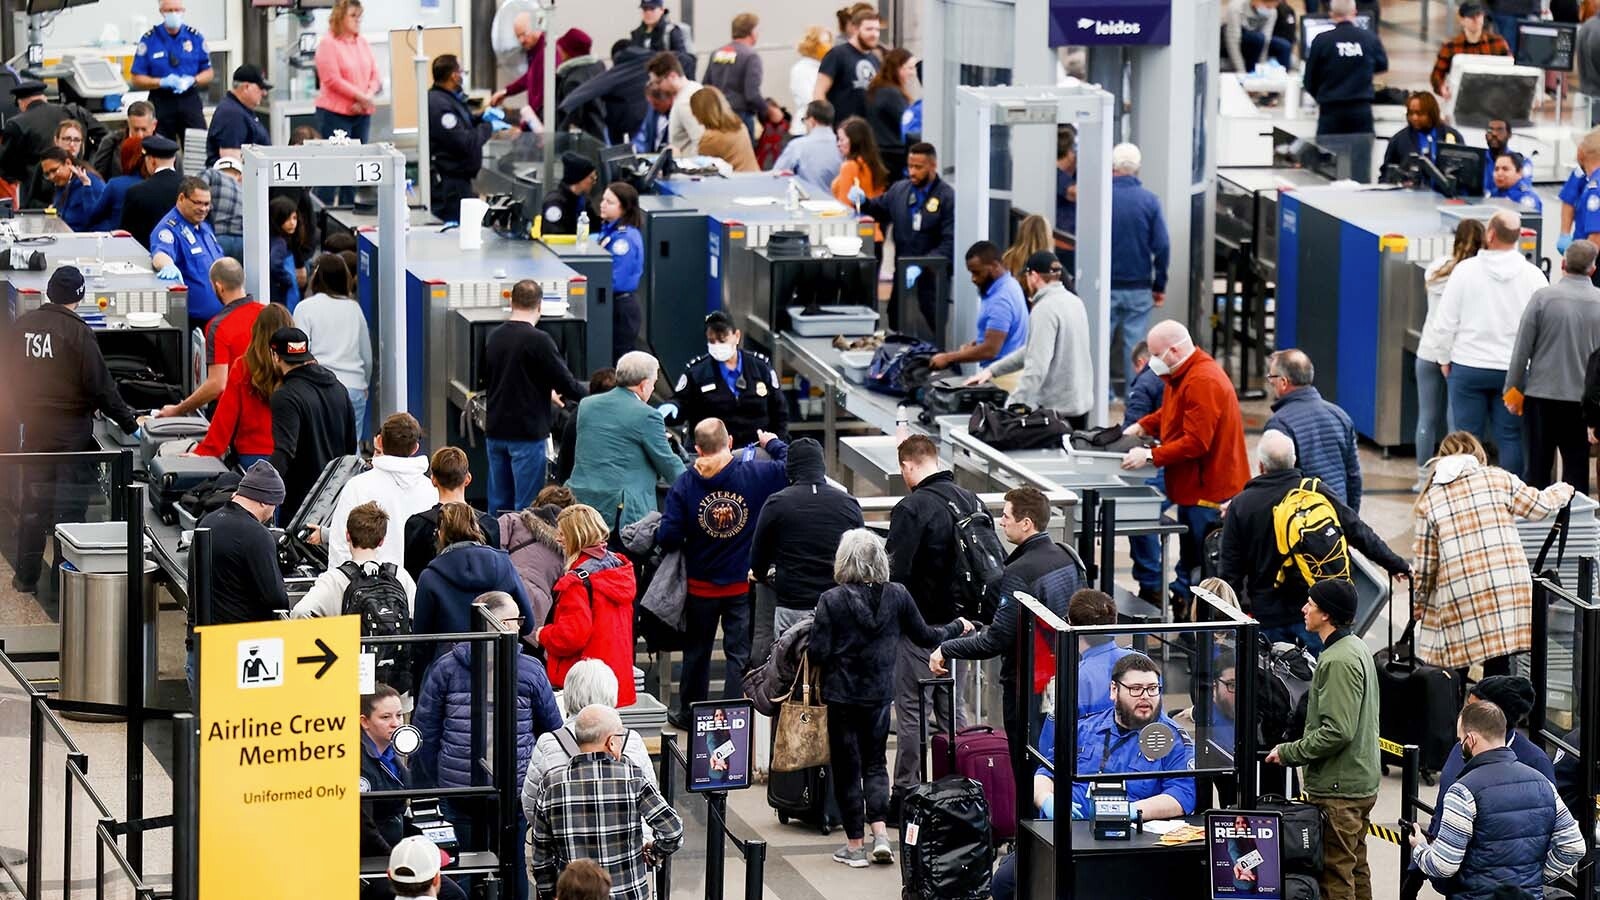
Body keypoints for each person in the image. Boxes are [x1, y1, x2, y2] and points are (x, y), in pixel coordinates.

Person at [810, 528, 970, 868]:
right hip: (879, 695)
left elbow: (819, 652)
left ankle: (855, 846)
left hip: (842, 696)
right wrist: (957, 626)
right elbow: (927, 635)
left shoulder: (832, 600)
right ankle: (881, 833)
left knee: (847, 768)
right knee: (875, 762)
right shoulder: (897, 594)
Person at [7, 267, 141, 592]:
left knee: (33, 503)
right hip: (72, 434)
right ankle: (61, 583)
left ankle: (25, 577)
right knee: (69, 508)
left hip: (35, 430)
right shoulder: (79, 333)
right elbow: (101, 387)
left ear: (49, 292)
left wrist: (22, 412)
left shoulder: (22, 327)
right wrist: (130, 422)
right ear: (79, 297)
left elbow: (8, 374)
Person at [1219, 430, 1409, 652]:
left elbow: (1230, 570)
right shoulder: (1314, 491)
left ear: (1261, 465)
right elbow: (1357, 530)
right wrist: (1396, 563)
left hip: (1268, 616)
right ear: (1294, 461)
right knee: (1318, 678)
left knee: (1271, 682)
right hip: (1316, 613)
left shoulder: (1242, 505)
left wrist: (1232, 621)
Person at [658, 420, 790, 728]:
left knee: (696, 653)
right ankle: (733, 715)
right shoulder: (755, 475)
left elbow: (668, 537)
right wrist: (770, 441)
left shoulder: (685, 484)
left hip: (699, 586)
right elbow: (790, 464)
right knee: (737, 654)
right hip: (740, 585)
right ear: (729, 442)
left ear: (697, 449)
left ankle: (690, 712)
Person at [1414, 431, 1574, 679]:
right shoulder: (1499, 479)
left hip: (1462, 593)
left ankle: (1458, 713)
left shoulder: (1430, 501)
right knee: (1498, 663)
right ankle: (1497, 715)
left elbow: (1425, 566)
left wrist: (1419, 602)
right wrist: (1564, 490)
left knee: (1456, 664)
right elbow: (1540, 506)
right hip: (1508, 588)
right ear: (1478, 454)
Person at [933, 487, 1078, 761]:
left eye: (1006, 516)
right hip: (1065, 679)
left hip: (1028, 689)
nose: (1001, 522)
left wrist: (946, 648)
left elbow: (996, 639)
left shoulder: (1017, 572)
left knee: (1028, 771)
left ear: (1026, 523)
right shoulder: (1066, 556)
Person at [1261, 580, 1379, 900]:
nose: (1304, 609)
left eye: (1310, 604)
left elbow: (1337, 731)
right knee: (1356, 867)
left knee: (1335, 872)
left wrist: (1289, 752)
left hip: (1338, 789)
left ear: (1327, 614)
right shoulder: (1356, 648)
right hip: (1359, 781)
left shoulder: (1338, 659)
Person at [1123, 320, 1251, 605]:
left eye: (1157, 354)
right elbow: (1171, 413)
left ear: (1175, 349)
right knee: (1191, 554)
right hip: (1193, 487)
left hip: (1209, 493)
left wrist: (1151, 455)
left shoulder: (1202, 380)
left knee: (1200, 560)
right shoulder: (1181, 375)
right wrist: (1143, 426)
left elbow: (1196, 442)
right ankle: (1182, 601)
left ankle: (1194, 619)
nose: (1153, 361)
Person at [885, 435, 980, 810]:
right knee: (951, 710)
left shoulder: (912, 508)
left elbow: (897, 572)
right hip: (961, 625)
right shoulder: (967, 499)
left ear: (908, 465)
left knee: (912, 713)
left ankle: (906, 793)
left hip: (919, 626)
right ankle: (957, 787)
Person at [1410, 701, 1587, 899]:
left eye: (1460, 739)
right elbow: (1573, 846)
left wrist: (1420, 848)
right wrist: (1536, 876)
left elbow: (1443, 866)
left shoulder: (1463, 791)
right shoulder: (1543, 784)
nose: (1460, 745)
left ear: (1471, 739)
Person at [1425, 209, 1549, 477]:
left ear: (1490, 234)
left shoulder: (1464, 272)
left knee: (1466, 440)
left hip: (1468, 366)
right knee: (1510, 437)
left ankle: (1466, 496)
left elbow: (1445, 322)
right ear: (1517, 238)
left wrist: (1444, 359)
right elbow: (1543, 327)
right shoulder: (1534, 276)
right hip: (1513, 371)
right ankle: (1510, 498)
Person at [529, 705, 684, 900]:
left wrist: (552, 892)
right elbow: (673, 831)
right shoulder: (632, 777)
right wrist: (653, 852)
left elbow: (541, 859)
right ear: (611, 743)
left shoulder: (552, 784)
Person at [1034, 653, 1196, 821]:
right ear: (1114, 690)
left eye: (1153, 688)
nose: (1146, 695)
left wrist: (1129, 812)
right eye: (1136, 689)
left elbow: (1182, 795)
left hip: (1132, 835)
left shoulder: (1172, 740)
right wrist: (1046, 800)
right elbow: (1045, 773)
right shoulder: (1084, 728)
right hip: (1070, 830)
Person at [521, 660, 657, 853]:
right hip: (626, 856)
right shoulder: (630, 741)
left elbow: (531, 804)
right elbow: (652, 804)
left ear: (569, 693)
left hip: (568, 857)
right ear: (611, 694)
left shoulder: (549, 743)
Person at [483, 280, 588, 514]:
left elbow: (498, 377)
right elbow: (567, 383)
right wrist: (595, 399)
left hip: (496, 430)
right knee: (526, 507)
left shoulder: (495, 337)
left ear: (512, 302)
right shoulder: (539, 340)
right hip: (527, 434)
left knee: (499, 505)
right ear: (539, 306)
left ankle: (495, 547)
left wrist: (542, 388)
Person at [1507, 239, 1600, 492]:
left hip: (1540, 398)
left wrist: (1512, 390)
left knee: (1536, 470)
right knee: (1577, 472)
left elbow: (1521, 350)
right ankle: (1573, 526)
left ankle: (1537, 528)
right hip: (1581, 404)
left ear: (1562, 264)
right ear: (1593, 269)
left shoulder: (1543, 298)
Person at [411, 504, 537, 685]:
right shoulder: (504, 565)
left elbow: (421, 641)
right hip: (499, 668)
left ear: (440, 533)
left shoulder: (430, 576)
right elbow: (527, 623)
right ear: (476, 528)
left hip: (449, 675)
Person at [750, 437, 865, 633]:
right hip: (837, 604)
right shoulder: (848, 503)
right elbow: (861, 555)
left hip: (792, 606)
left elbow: (758, 558)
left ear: (790, 469)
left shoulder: (776, 504)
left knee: (789, 660)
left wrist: (762, 575)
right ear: (821, 466)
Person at [966, 251, 1093, 423]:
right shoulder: (1074, 302)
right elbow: (1034, 349)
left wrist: (1011, 407)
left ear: (1033, 276)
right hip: (1080, 405)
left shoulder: (1045, 309)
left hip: (1056, 413)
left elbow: (1036, 368)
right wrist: (992, 371)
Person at [566, 351, 686, 529]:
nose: (653, 388)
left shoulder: (587, 405)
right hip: (622, 513)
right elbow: (667, 463)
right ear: (644, 384)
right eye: (653, 383)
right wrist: (695, 486)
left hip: (581, 504)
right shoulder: (647, 415)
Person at [536, 504, 639, 702]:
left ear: (577, 536)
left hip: (584, 685)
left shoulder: (577, 582)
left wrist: (544, 634)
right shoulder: (619, 570)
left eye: (563, 534)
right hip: (613, 680)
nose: (558, 539)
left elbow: (570, 637)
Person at [854, 142, 956, 332]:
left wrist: (922, 265)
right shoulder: (900, 191)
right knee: (896, 324)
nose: (912, 172)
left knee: (931, 329)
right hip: (901, 277)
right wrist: (863, 202)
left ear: (933, 166)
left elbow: (950, 243)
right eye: (910, 166)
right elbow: (880, 208)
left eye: (918, 167)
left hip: (932, 281)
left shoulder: (947, 198)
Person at [1417, 219, 1484, 488]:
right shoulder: (1475, 274)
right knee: (1454, 421)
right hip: (1458, 354)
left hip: (1428, 349)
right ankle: (1454, 477)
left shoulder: (1436, 268)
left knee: (1426, 418)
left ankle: (1422, 479)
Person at [267, 326, 358, 522]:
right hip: (336, 499)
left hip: (301, 503)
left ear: (275, 356)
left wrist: (256, 488)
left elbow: (285, 451)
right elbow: (352, 445)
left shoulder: (285, 396)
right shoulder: (338, 388)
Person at [324, 414, 437, 568]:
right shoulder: (431, 490)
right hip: (418, 587)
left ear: (380, 441)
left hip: (365, 587)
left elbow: (339, 546)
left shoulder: (357, 486)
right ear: (415, 448)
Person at [155, 258, 261, 420]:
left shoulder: (218, 326)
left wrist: (178, 410)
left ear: (218, 286)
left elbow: (217, 385)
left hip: (234, 417)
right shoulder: (267, 315)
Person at [194, 301, 292, 468]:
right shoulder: (300, 369)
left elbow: (224, 419)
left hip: (252, 457)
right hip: (291, 456)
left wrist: (202, 453)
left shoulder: (244, 367)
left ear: (257, 331)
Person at [1262, 349, 1364, 510]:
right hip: (1337, 520)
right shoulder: (1340, 416)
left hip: (1302, 525)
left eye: (1271, 377)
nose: (1270, 382)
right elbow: (1354, 478)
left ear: (1283, 382)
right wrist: (1350, 521)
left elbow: (1275, 487)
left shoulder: (1280, 425)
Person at [671, 310, 789, 447]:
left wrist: (777, 446)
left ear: (736, 336)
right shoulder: (697, 373)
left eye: (722, 340)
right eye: (712, 341)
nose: (717, 346)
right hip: (712, 453)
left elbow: (780, 412)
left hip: (756, 453)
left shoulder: (761, 368)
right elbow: (681, 403)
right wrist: (673, 407)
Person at [1108, 143, 1171, 392]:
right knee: (1134, 345)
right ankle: (1135, 393)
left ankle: (1105, 395)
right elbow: (1162, 245)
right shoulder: (1150, 201)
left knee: (1101, 341)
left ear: (1113, 167)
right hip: (1139, 285)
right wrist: (1159, 284)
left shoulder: (1103, 198)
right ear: (1138, 169)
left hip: (1106, 285)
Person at [1304, 0, 1388, 183]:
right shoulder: (1369, 38)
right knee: (1360, 171)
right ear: (1355, 12)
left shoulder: (1322, 40)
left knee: (1327, 173)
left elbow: (1309, 80)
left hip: (1330, 113)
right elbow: (1382, 65)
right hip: (1360, 113)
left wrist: (1322, 95)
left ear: (1331, 14)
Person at [199, 461, 290, 625]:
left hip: (200, 639)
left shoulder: (208, 521)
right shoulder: (257, 535)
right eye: (275, 505)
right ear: (264, 501)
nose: (272, 513)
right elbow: (277, 600)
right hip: (237, 643)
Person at [293, 500, 418, 619]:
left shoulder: (334, 580)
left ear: (348, 536)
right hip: (395, 642)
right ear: (381, 541)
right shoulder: (400, 575)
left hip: (348, 641)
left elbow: (300, 613)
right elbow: (417, 615)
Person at [294, 253, 372, 441]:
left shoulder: (305, 308)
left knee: (319, 448)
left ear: (317, 276)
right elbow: (367, 356)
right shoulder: (354, 309)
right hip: (354, 386)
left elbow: (299, 353)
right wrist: (364, 385)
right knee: (351, 453)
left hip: (318, 389)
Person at [927, 241, 1028, 380]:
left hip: (1003, 377)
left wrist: (948, 358)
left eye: (977, 272)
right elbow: (1003, 334)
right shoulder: (1009, 284)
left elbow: (990, 350)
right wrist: (977, 344)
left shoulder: (1001, 300)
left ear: (994, 266)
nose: (973, 279)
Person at [314, 0, 381, 200]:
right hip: (335, 115)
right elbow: (332, 79)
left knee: (354, 170)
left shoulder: (362, 42)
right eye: (353, 15)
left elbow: (375, 74)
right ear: (339, 17)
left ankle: (348, 213)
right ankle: (322, 218)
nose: (357, 20)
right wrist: (361, 97)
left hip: (361, 114)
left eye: (359, 16)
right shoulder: (328, 44)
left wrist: (368, 96)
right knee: (333, 170)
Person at [0, 80, 104, 209]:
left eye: (75, 140)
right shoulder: (74, 111)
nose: (71, 145)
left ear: (21, 102)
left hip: (38, 197)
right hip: (76, 192)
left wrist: (28, 173)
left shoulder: (16, 124)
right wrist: (89, 160)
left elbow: (7, 169)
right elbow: (104, 136)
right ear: (44, 98)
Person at [407, 447, 501, 582]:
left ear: (433, 480)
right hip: (479, 600)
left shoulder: (416, 525)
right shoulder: (489, 525)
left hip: (433, 599)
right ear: (467, 479)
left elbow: (412, 580)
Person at [130, 0, 213, 142]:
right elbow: (137, 78)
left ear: (183, 11)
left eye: (177, 10)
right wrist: (161, 82)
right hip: (161, 100)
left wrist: (193, 80)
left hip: (189, 98)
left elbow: (209, 73)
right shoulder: (150, 39)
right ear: (161, 12)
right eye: (169, 10)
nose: (174, 14)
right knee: (160, 148)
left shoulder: (194, 37)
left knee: (198, 147)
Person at [150, 175, 226, 329]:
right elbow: (161, 254)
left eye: (207, 204)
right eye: (198, 203)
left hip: (218, 319)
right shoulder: (169, 228)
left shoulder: (203, 226)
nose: (204, 209)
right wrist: (166, 266)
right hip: (194, 322)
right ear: (181, 198)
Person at [428, 54, 495, 223]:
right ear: (454, 75)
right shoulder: (439, 105)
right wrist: (489, 126)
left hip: (461, 180)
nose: (463, 76)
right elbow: (465, 142)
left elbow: (465, 124)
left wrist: (481, 118)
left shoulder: (450, 98)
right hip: (450, 184)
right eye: (462, 72)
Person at [496, 484, 570, 627]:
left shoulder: (512, 520)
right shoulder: (567, 547)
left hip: (502, 601)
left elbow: (492, 551)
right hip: (536, 614)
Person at [597, 184, 646, 363]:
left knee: (620, 360)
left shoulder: (624, 240)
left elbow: (616, 280)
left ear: (624, 208)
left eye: (609, 202)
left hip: (621, 307)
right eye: (603, 199)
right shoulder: (610, 230)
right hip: (612, 303)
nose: (602, 204)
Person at [359, 685, 410, 852]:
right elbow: (366, 829)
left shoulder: (392, 753)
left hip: (399, 848)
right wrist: (393, 859)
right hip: (377, 858)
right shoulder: (360, 764)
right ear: (364, 721)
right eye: (386, 717)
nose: (395, 723)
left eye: (399, 715)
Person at [814, 8, 882, 124]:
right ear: (855, 29)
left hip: (868, 133)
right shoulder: (837, 55)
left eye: (877, 30)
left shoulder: (874, 59)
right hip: (842, 132)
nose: (874, 34)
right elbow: (819, 93)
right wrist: (826, 125)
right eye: (869, 29)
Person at [1433, 1, 1512, 97]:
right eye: (1471, 16)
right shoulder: (1450, 46)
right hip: (1462, 98)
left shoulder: (1499, 42)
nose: (1475, 19)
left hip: (1491, 99)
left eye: (1478, 15)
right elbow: (1436, 75)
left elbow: (1510, 71)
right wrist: (1442, 87)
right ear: (1461, 20)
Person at [120, 134, 183, 252]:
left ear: (152, 161)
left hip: (148, 256)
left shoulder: (136, 192)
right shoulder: (190, 188)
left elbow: (127, 236)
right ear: (174, 159)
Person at [702, 14, 764, 135]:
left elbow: (705, 86)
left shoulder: (717, 53)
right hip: (740, 118)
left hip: (716, 118)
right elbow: (752, 95)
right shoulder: (751, 56)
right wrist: (767, 111)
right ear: (751, 32)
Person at [204, 65, 272, 168]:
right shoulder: (232, 115)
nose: (264, 93)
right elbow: (231, 164)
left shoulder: (240, 109)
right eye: (261, 88)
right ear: (246, 87)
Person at [1381, 92, 1465, 173]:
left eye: (1419, 113)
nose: (1414, 118)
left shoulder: (1452, 136)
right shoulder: (1399, 140)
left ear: (1432, 113)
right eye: (1411, 113)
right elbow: (1386, 173)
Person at [833, 116, 888, 234]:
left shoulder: (849, 166)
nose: (838, 144)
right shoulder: (874, 165)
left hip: (855, 234)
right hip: (874, 233)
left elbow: (845, 208)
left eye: (842, 140)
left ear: (854, 141)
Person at [775, 100, 843, 196]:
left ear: (812, 121)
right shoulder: (843, 145)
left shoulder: (797, 146)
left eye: (804, 120)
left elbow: (777, 174)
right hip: (839, 205)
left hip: (809, 203)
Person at [866, 48, 914, 180]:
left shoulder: (878, 89)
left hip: (881, 152)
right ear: (898, 68)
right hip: (893, 156)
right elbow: (908, 124)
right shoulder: (891, 94)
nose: (913, 73)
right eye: (909, 68)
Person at [489, 11, 549, 114]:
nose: (521, 40)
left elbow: (541, 98)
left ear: (536, 28)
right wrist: (507, 91)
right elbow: (530, 76)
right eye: (517, 36)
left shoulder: (546, 54)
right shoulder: (534, 51)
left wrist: (526, 123)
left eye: (523, 34)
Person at [646, 52, 704, 157]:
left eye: (658, 82)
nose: (657, 87)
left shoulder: (684, 103)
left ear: (672, 76)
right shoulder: (695, 88)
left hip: (689, 168)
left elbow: (700, 141)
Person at [87, 136, 150, 233]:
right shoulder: (154, 185)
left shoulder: (115, 185)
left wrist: (87, 187)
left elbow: (93, 215)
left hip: (115, 239)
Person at [554, 29, 608, 140]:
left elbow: (572, 118)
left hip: (586, 141)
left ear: (570, 52)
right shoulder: (597, 67)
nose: (559, 52)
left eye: (561, 49)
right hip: (601, 133)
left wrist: (556, 140)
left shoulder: (573, 81)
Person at [691, 87, 760, 172]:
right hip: (754, 177)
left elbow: (703, 170)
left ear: (700, 113)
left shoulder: (710, 138)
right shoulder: (741, 126)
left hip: (732, 182)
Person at [39, 147, 105, 232]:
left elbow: (97, 219)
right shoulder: (62, 183)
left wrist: (86, 187)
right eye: (47, 174)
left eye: (54, 170)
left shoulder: (91, 183)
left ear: (68, 163)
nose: (51, 177)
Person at [90, 100, 156, 180]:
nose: (140, 135)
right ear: (128, 123)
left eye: (144, 129)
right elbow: (98, 177)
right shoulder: (112, 142)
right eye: (135, 129)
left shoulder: (164, 147)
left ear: (154, 125)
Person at [1225, 0, 1293, 72]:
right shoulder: (1236, 7)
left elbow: (1266, 40)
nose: (1269, 10)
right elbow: (1233, 42)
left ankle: (1282, 77)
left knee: (1285, 46)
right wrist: (1241, 71)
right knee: (1258, 38)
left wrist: (1261, 68)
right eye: (1267, 7)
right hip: (1240, 39)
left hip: (1259, 40)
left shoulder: (1272, 12)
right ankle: (1250, 70)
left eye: (1271, 8)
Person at [630, 0, 694, 75]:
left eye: (652, 9)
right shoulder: (637, 34)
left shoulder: (671, 31)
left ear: (662, 10)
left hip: (666, 77)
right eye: (645, 9)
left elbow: (684, 59)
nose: (648, 13)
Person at [540, 153, 598, 236]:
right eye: (592, 178)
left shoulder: (583, 200)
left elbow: (595, 227)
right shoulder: (555, 202)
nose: (594, 182)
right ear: (579, 178)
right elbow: (554, 235)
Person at [790, 28, 832, 137]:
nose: (829, 46)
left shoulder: (823, 66)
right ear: (813, 44)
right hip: (804, 129)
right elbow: (809, 98)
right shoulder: (801, 69)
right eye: (825, 42)